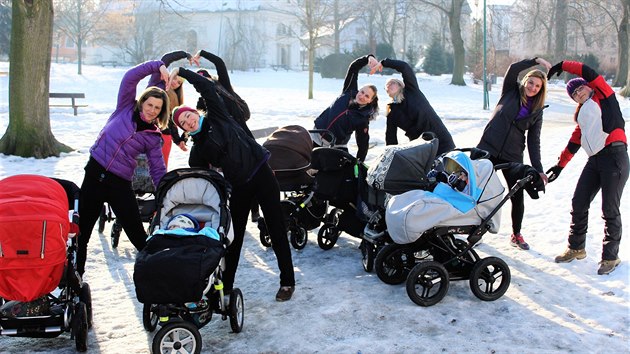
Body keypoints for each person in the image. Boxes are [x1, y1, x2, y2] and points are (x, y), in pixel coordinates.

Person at [168, 66, 296, 301]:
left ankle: (287, 281)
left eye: (188, 115)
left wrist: (183, 71)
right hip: (239, 186)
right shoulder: (198, 150)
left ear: (195, 112)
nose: (188, 121)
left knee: (276, 227)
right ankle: (226, 286)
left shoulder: (217, 114)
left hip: (262, 173)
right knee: (233, 238)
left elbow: (206, 87)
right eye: (183, 123)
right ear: (184, 129)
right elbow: (199, 177)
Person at [77, 60, 170, 275]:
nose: (152, 110)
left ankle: (160, 276)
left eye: (157, 108)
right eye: (149, 105)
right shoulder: (125, 107)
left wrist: (165, 193)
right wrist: (158, 65)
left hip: (119, 183)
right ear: (142, 101)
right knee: (81, 233)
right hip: (94, 174)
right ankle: (76, 278)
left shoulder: (153, 137)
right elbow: (130, 77)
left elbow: (157, 169)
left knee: (138, 235)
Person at [546, 60, 628, 275]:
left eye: (580, 88)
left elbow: (588, 71)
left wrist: (562, 65)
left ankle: (611, 257)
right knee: (579, 202)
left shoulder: (604, 96)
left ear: (590, 87)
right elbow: (575, 140)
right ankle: (576, 247)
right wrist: (560, 165)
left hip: (614, 156)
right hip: (595, 161)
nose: (579, 93)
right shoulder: (583, 115)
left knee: (609, 208)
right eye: (574, 94)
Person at [476, 57, 552, 250]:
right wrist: (536, 60)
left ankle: (516, 234)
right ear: (526, 80)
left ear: (541, 90)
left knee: (517, 194)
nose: (533, 87)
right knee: (474, 186)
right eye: (531, 83)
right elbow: (513, 68)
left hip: (513, 154)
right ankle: (467, 228)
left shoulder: (537, 110)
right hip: (488, 147)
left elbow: (534, 142)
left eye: (537, 86)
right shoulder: (511, 90)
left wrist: (538, 169)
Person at [193, 50, 260, 221]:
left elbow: (220, 63)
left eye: (204, 78)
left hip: (244, 135)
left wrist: (202, 53)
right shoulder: (202, 103)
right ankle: (234, 209)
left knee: (256, 170)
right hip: (229, 144)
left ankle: (255, 209)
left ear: (210, 78)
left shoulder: (223, 86)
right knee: (237, 175)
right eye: (198, 82)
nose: (203, 82)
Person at [369, 58, 455, 155]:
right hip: (421, 148)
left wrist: (384, 63)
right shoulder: (391, 110)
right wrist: (389, 155)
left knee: (450, 168)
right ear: (387, 92)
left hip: (441, 139)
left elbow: (405, 67)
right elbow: (390, 136)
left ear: (400, 85)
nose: (389, 85)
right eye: (387, 85)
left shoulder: (412, 90)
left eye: (392, 82)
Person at [313, 54, 379, 162]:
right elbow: (353, 68)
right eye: (362, 92)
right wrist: (368, 58)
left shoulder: (362, 119)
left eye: (367, 96)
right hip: (316, 134)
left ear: (370, 101)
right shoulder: (349, 91)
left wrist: (359, 162)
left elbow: (363, 143)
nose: (362, 96)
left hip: (334, 146)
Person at [148, 50, 193, 169]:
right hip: (146, 134)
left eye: (179, 83)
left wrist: (178, 141)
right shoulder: (156, 82)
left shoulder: (176, 99)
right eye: (175, 78)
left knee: (161, 169)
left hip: (165, 137)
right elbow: (165, 59)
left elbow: (171, 123)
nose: (175, 83)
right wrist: (184, 54)